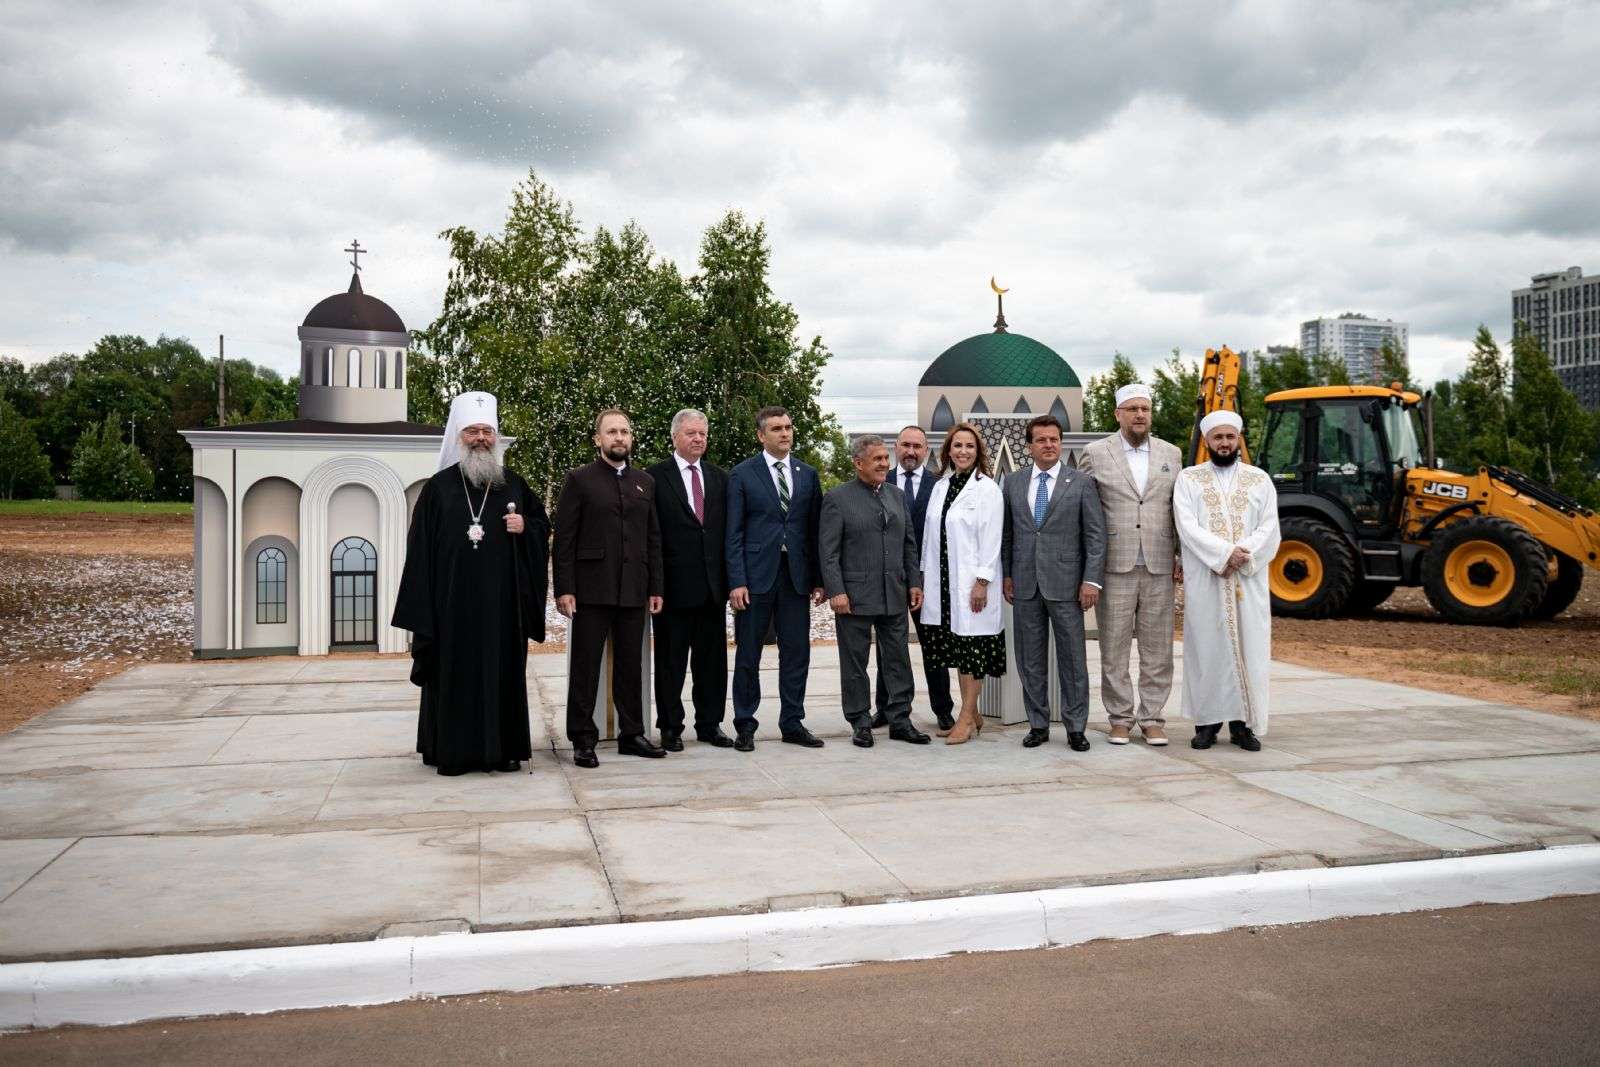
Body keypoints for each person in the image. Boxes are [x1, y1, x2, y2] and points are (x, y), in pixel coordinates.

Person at [393, 391, 550, 776]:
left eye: (487, 431)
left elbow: (543, 527)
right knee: (453, 676)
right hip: (451, 608)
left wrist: (526, 527)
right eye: (472, 431)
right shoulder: (438, 489)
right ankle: (453, 753)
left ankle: (505, 750)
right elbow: (419, 552)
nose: (481, 438)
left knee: (502, 673)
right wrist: (425, 611)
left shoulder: (513, 485)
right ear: (458, 436)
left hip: (501, 607)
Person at [554, 408, 665, 768]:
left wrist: (655, 587)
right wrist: (564, 588)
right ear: (598, 440)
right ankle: (582, 738)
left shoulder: (644, 482)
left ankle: (632, 734)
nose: (619, 438)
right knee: (586, 667)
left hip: (634, 589)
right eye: (612, 432)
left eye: (625, 432)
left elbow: (653, 538)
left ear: (631, 438)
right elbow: (565, 539)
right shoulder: (580, 480)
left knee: (632, 665)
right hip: (590, 590)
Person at [1077, 383, 1183, 747]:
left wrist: (1180, 555)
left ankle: (1152, 718)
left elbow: (1178, 510)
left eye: (1145, 409)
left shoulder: (1172, 453)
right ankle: (1120, 719)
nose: (1140, 415)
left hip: (1159, 564)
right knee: (1114, 648)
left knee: (1158, 649)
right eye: (1133, 409)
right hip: (1114, 566)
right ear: (1118, 414)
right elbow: (1085, 511)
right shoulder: (1095, 452)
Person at [1174, 410, 1280, 751]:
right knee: (1207, 650)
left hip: (1247, 582)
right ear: (1207, 441)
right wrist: (1223, 555)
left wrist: (1242, 553)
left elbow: (1269, 527)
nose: (1224, 443)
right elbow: (1187, 526)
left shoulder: (1259, 480)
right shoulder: (1189, 480)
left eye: (1229, 437)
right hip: (1207, 579)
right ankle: (1206, 724)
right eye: (1217, 437)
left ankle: (1242, 725)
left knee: (1250, 651)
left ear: (1238, 440)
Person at [1001, 414, 1106, 751]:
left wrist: (1091, 580)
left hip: (1068, 585)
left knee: (1073, 659)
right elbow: (1007, 535)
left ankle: (1076, 727)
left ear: (1061, 443)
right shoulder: (1013, 483)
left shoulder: (1081, 483)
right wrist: (1006, 574)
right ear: (1029, 446)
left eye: (1054, 439)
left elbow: (1096, 536)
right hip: (1025, 584)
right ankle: (1038, 724)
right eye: (1041, 440)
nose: (1048, 445)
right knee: (1029, 659)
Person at [726, 406, 826, 752]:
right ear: (761, 436)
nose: (785, 433)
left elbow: (815, 531)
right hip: (755, 579)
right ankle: (745, 724)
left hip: (795, 578)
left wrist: (819, 577)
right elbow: (733, 532)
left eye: (788, 427)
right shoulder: (742, 474)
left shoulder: (808, 474)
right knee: (749, 654)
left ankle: (792, 722)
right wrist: (736, 580)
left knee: (797, 652)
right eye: (776, 429)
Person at [820, 435, 929, 748]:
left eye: (885, 458)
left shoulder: (896, 495)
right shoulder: (838, 498)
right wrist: (836, 591)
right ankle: (860, 721)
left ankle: (900, 719)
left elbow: (909, 544)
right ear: (858, 463)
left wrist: (914, 582)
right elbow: (828, 552)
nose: (885, 464)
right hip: (853, 597)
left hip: (893, 593)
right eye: (877, 459)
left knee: (898, 659)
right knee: (855, 662)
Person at [646, 408, 733, 751]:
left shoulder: (719, 478)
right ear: (675, 437)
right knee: (671, 662)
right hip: (672, 590)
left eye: (703, 434)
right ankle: (670, 726)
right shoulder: (654, 478)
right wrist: (654, 584)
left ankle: (710, 724)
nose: (698, 439)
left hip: (713, 588)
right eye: (691, 434)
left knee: (712, 663)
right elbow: (651, 536)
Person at [918, 423, 1006, 745]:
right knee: (957, 647)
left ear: (978, 451)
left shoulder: (987, 489)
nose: (963, 451)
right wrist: (924, 576)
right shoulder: (941, 486)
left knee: (973, 650)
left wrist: (982, 581)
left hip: (972, 584)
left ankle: (966, 718)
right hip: (942, 584)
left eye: (970, 446)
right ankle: (973, 712)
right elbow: (930, 536)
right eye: (958, 446)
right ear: (948, 451)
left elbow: (992, 539)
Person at [871, 424, 955, 733]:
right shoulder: (880, 480)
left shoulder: (941, 485)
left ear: (926, 449)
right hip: (889, 577)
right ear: (896, 447)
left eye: (917, 446)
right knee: (887, 646)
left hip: (929, 578)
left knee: (934, 646)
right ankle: (884, 707)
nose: (911, 451)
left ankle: (943, 709)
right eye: (905, 445)